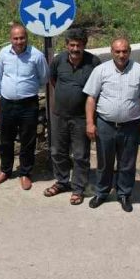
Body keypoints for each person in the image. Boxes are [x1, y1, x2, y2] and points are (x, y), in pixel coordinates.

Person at [83, 37, 140, 212]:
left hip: (131, 125)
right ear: (111, 52)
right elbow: (91, 98)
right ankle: (102, 192)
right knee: (104, 161)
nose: (121, 55)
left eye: (124, 51)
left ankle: (124, 194)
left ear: (129, 51)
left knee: (127, 162)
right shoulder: (101, 70)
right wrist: (90, 123)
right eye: (118, 51)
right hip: (105, 124)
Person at [0, 23, 49, 190]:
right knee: (6, 140)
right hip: (7, 103)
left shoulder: (36, 56)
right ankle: (5, 170)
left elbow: (44, 78)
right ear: (11, 39)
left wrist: (27, 87)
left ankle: (25, 173)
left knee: (27, 141)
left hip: (28, 104)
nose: (19, 41)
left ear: (26, 38)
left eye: (22, 38)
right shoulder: (3, 54)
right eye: (15, 38)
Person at [44, 28, 100, 204]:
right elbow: (53, 80)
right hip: (59, 115)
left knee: (80, 155)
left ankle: (78, 188)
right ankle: (61, 182)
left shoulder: (94, 62)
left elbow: (98, 88)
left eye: (79, 45)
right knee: (57, 151)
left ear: (84, 45)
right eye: (72, 45)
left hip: (82, 118)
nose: (75, 49)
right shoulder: (58, 60)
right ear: (67, 45)